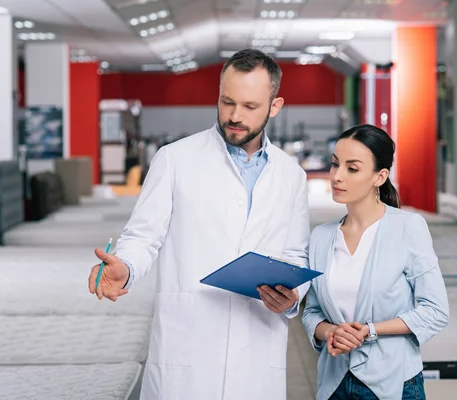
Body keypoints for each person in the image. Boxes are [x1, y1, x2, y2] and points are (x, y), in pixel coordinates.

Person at [87, 48, 311, 400]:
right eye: (227, 102)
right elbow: (143, 236)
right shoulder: (175, 159)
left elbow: (296, 253)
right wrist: (126, 268)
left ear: (275, 106)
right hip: (188, 343)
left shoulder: (291, 175)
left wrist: (293, 298)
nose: (235, 116)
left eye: (250, 106)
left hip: (258, 345)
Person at [302, 124, 450, 400]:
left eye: (352, 168)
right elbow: (311, 312)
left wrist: (369, 331)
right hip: (334, 384)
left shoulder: (407, 227)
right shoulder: (321, 237)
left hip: (394, 382)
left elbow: (436, 311)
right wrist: (331, 331)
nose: (337, 176)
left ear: (379, 177)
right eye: (335, 165)